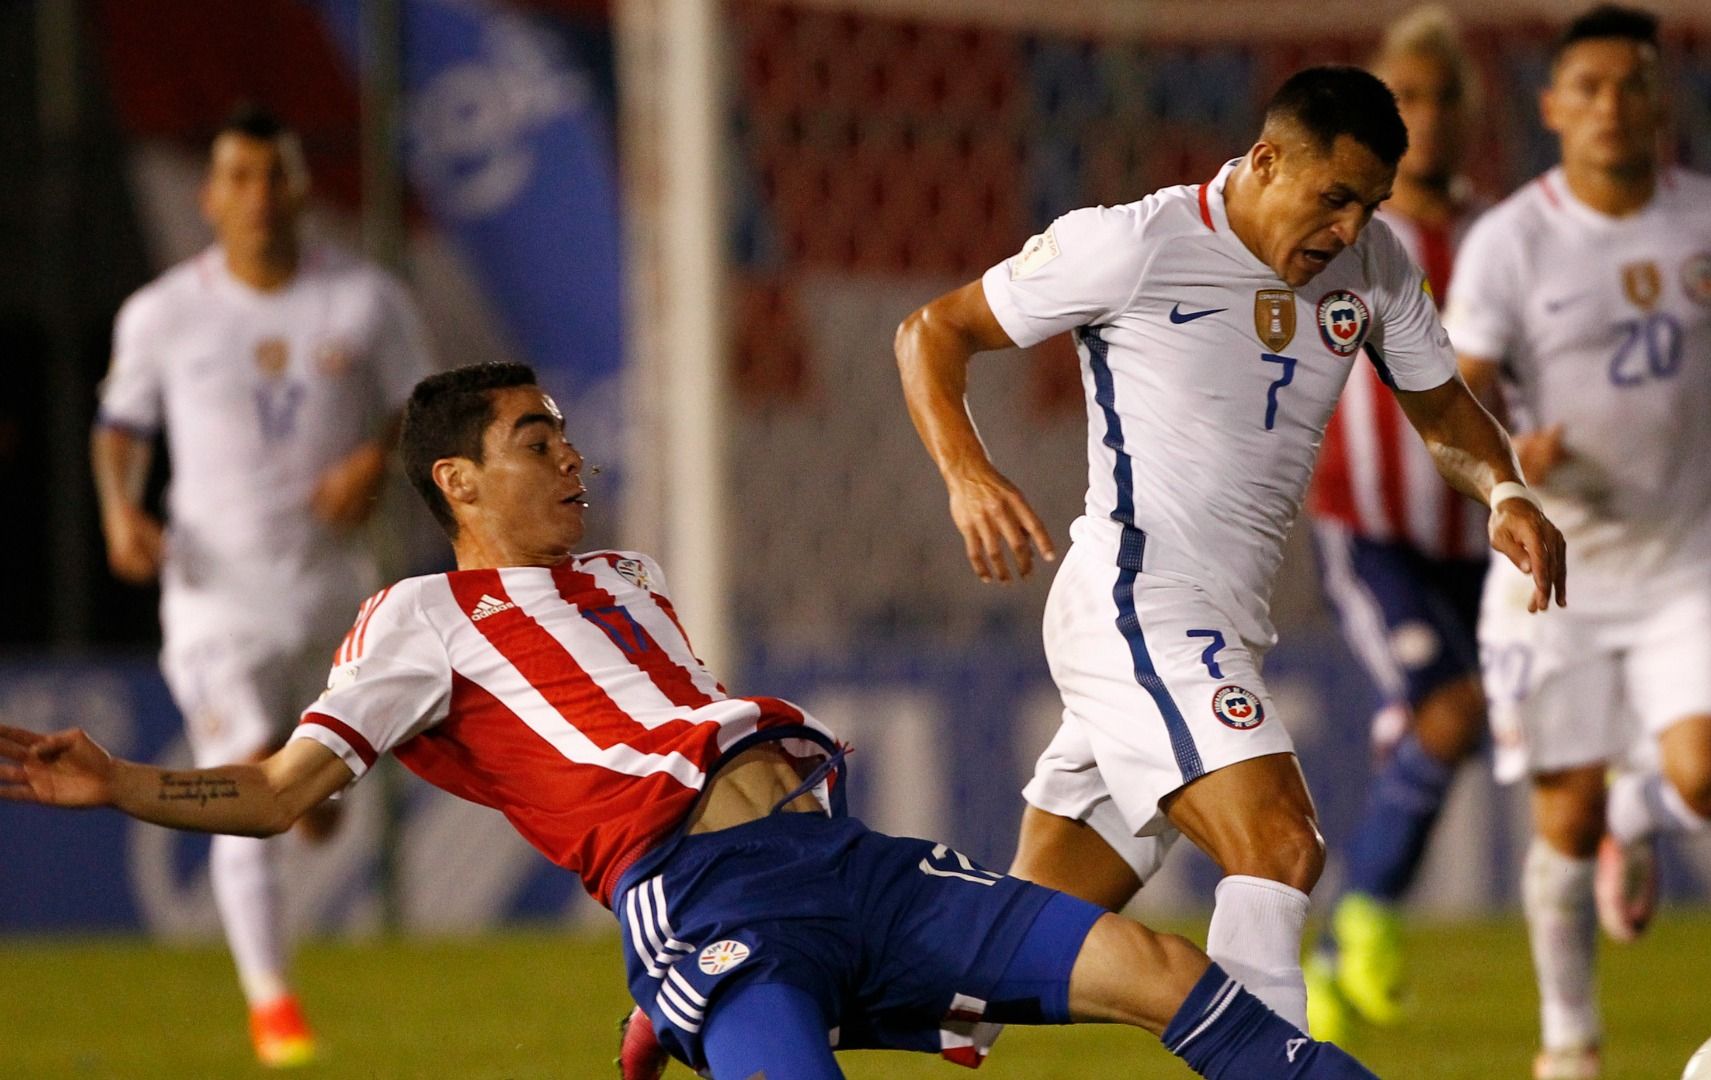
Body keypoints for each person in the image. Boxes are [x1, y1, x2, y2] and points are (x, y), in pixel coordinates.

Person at [12, 362, 1384, 1080]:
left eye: (565, 433)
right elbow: (275, 790)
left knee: (1157, 969)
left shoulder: (628, 579)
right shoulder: (416, 620)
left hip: (846, 862)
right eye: (534, 441)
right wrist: (119, 779)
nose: (570, 455)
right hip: (701, 893)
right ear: (457, 482)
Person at [895, 64, 1566, 1038]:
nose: (1347, 228)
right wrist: (967, 472)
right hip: (1136, 604)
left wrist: (1503, 489)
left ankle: (747, 992)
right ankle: (1276, 1068)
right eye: (1332, 198)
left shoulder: (1373, 265)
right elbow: (933, 331)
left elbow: (1443, 406)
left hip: (1222, 627)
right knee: (1283, 847)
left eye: (1368, 204)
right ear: (1264, 160)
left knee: (994, 971)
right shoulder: (1132, 244)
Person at [1442, 8, 1711, 1078]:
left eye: (1632, 83)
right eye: (1586, 86)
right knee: (1562, 818)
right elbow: (1452, 394)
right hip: (1559, 572)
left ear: (1662, 98)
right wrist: (1509, 464)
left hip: (1683, 563)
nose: (1611, 104)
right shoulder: (1511, 242)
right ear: (1550, 109)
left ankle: (1641, 813)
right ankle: (1569, 1051)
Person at [88, 104, 432, 1066]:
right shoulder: (162, 312)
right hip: (212, 594)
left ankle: (307, 782)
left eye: (270, 175)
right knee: (242, 764)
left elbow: (420, 404)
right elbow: (119, 426)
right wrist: (121, 511)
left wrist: (375, 456)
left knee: (305, 788)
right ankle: (273, 1005)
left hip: (332, 587)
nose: (254, 196)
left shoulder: (365, 299)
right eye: (235, 178)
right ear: (209, 197)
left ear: (299, 188)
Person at [1300, 6, 1497, 1042]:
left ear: (1473, 110)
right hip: (1371, 532)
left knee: (1471, 729)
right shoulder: (1340, 232)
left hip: (1477, 541)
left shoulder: (1501, 236)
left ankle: (1343, 945)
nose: (1423, 116)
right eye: (1403, 97)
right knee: (1450, 716)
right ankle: (1362, 923)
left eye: (1440, 96)